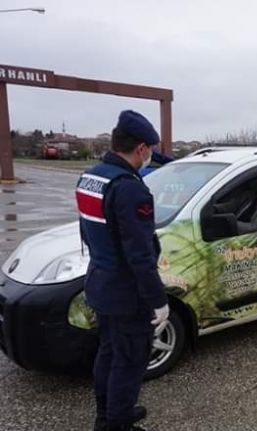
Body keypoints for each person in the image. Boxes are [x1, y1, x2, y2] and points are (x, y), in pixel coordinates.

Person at [75, 110, 169, 431]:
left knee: (109, 354)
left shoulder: (92, 176)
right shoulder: (131, 189)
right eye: (150, 150)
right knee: (128, 362)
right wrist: (158, 300)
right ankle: (117, 424)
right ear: (141, 148)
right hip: (127, 293)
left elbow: (88, 232)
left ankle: (108, 415)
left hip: (100, 283)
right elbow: (140, 255)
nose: (151, 156)